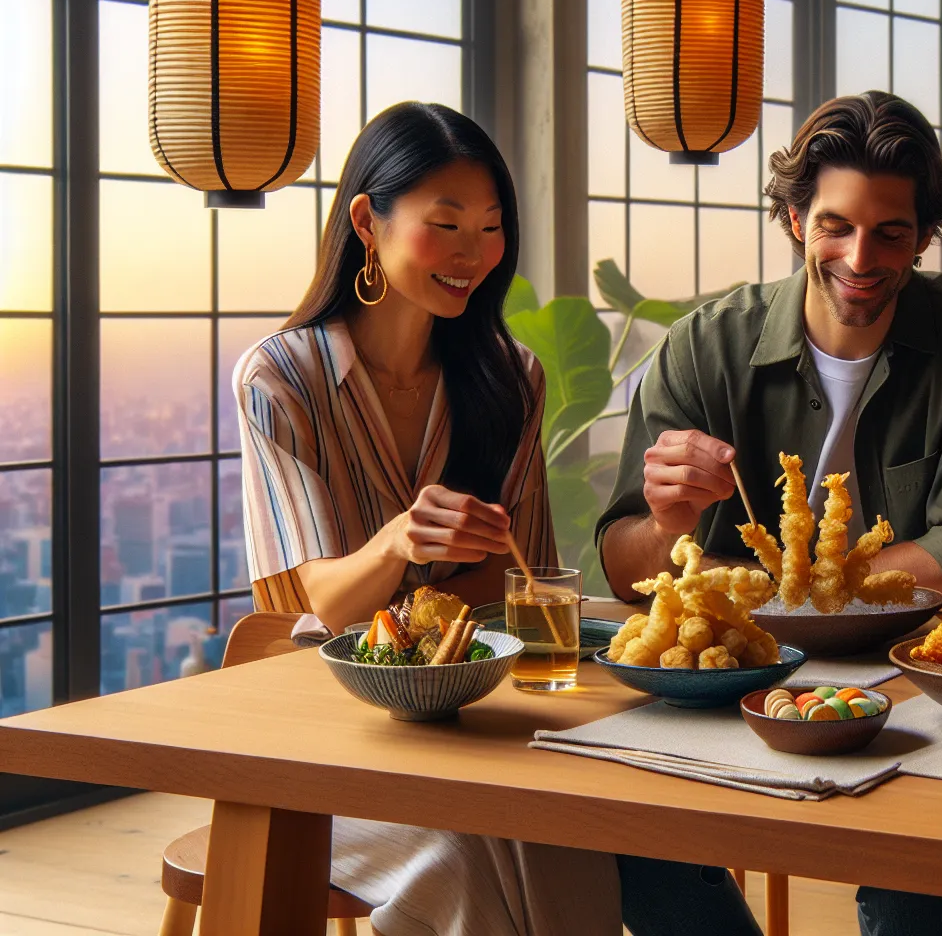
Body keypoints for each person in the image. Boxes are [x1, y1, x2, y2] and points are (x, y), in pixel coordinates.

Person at [234, 101, 761, 936]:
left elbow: (511, 586)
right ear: (367, 221)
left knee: (605, 812)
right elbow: (311, 604)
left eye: (490, 227)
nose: (474, 254)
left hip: (475, 708)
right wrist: (399, 540)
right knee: (488, 851)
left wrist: (443, 598)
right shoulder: (281, 380)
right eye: (445, 224)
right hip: (329, 729)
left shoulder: (508, 377)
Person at [594, 91, 942, 936]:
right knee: (631, 827)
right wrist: (666, 521)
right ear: (795, 218)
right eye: (835, 225)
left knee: (916, 862)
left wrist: (767, 582)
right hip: (733, 675)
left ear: (924, 236)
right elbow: (625, 563)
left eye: (891, 233)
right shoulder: (704, 346)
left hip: (914, 678)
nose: (860, 258)